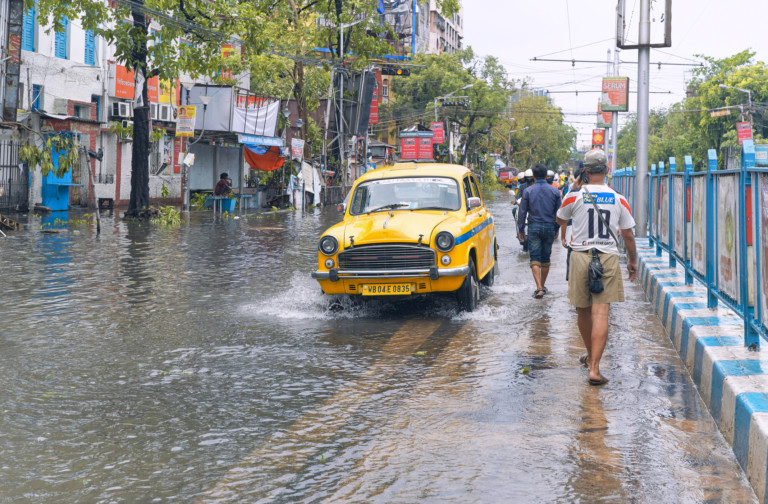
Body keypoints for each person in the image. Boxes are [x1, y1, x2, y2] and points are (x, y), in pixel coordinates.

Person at [556, 149, 638, 386]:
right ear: (607, 170)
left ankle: (591, 356)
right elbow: (628, 235)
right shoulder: (619, 198)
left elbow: (560, 220)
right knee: (601, 313)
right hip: (608, 257)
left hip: (580, 256)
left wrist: (575, 186)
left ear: (585, 170)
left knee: (582, 311)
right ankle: (594, 367)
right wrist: (632, 260)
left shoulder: (574, 196)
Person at [518, 164, 562, 298]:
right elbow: (559, 213)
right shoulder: (555, 191)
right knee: (546, 258)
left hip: (534, 227)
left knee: (535, 257)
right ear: (547, 176)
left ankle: (538, 288)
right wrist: (557, 228)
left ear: (534, 176)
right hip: (549, 226)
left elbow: (522, 211)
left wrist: (521, 229)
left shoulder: (528, 191)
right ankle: (542, 285)